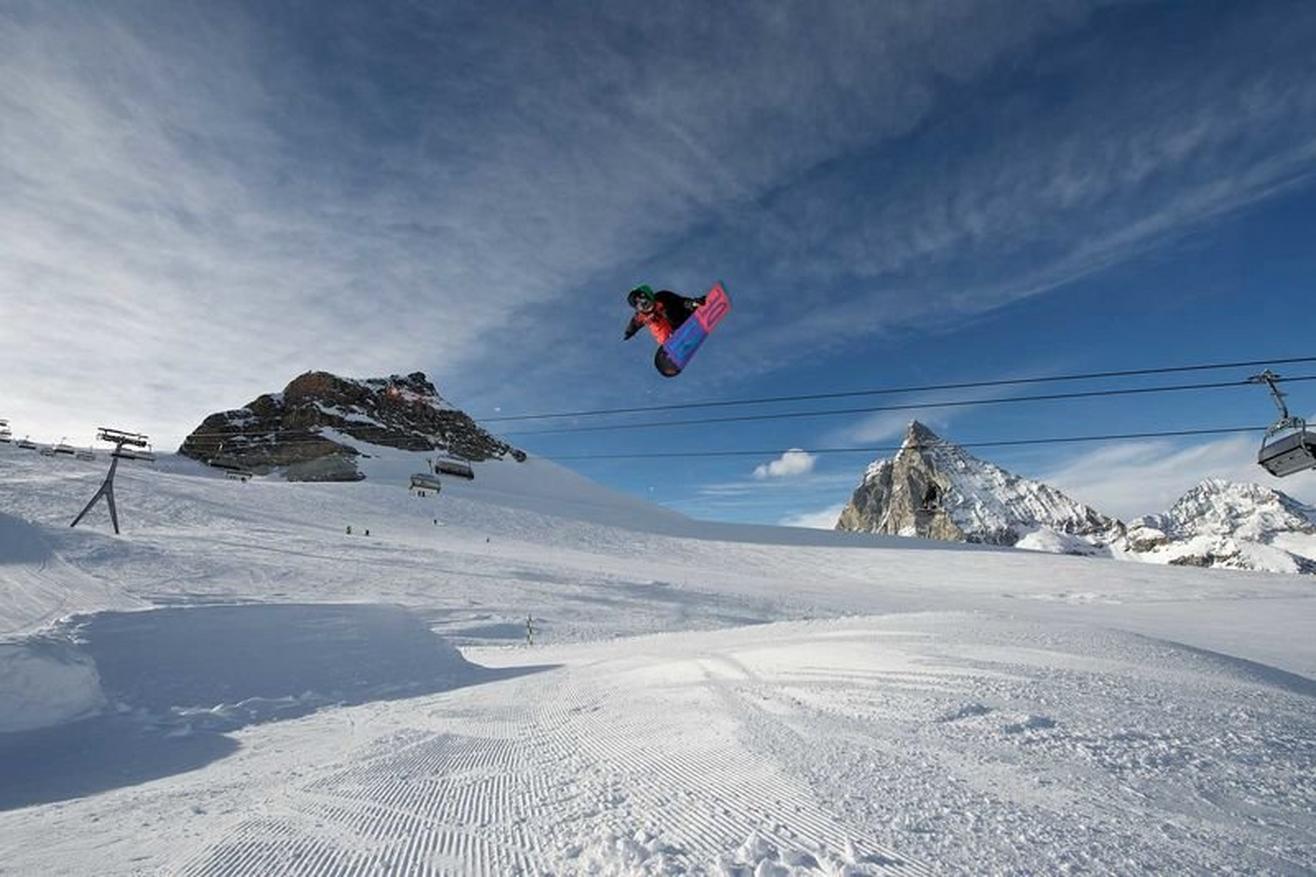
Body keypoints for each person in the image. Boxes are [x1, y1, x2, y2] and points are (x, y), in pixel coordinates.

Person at [623, 285, 705, 345]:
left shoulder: (662, 297)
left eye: (646, 302)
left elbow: (680, 301)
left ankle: (694, 309)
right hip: (668, 336)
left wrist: (693, 303)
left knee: (666, 312)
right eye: (641, 306)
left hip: (681, 319)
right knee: (654, 323)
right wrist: (629, 332)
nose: (646, 306)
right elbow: (634, 324)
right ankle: (668, 343)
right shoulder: (640, 316)